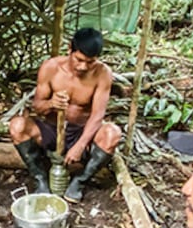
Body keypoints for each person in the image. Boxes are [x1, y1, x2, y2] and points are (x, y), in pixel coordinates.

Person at [9, 28, 121, 202]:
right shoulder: (51, 68)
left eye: (90, 62)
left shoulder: (103, 73)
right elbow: (37, 106)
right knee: (17, 126)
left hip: (81, 132)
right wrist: (51, 104)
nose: (83, 66)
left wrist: (81, 145)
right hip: (52, 130)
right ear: (70, 49)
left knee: (112, 134)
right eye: (79, 59)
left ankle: (79, 181)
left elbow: (98, 115)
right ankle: (40, 180)